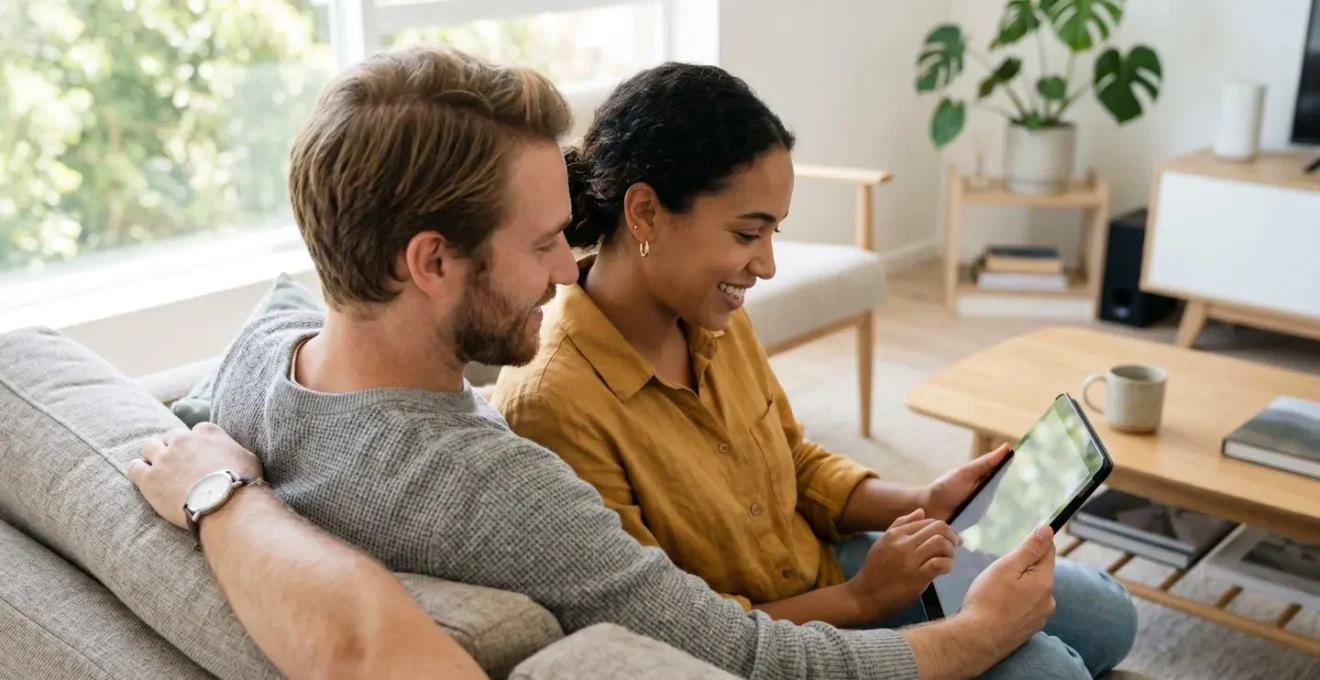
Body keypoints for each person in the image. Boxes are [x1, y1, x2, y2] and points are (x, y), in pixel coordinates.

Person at [129, 45, 1064, 680]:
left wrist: (221, 498)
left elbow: (173, 434)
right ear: (430, 261)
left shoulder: (257, 354)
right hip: (796, 614)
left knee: (1076, 611)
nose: (568, 265)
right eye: (543, 242)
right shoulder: (508, 492)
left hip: (812, 563)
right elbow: (745, 657)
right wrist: (973, 634)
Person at [490, 63, 1137, 678]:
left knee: (1108, 617)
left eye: (774, 233)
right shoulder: (555, 404)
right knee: (1052, 669)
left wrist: (920, 501)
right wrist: (864, 599)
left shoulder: (711, 315)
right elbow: (670, 635)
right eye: (747, 234)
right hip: (771, 637)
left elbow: (793, 463)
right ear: (645, 213)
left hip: (822, 567)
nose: (767, 265)